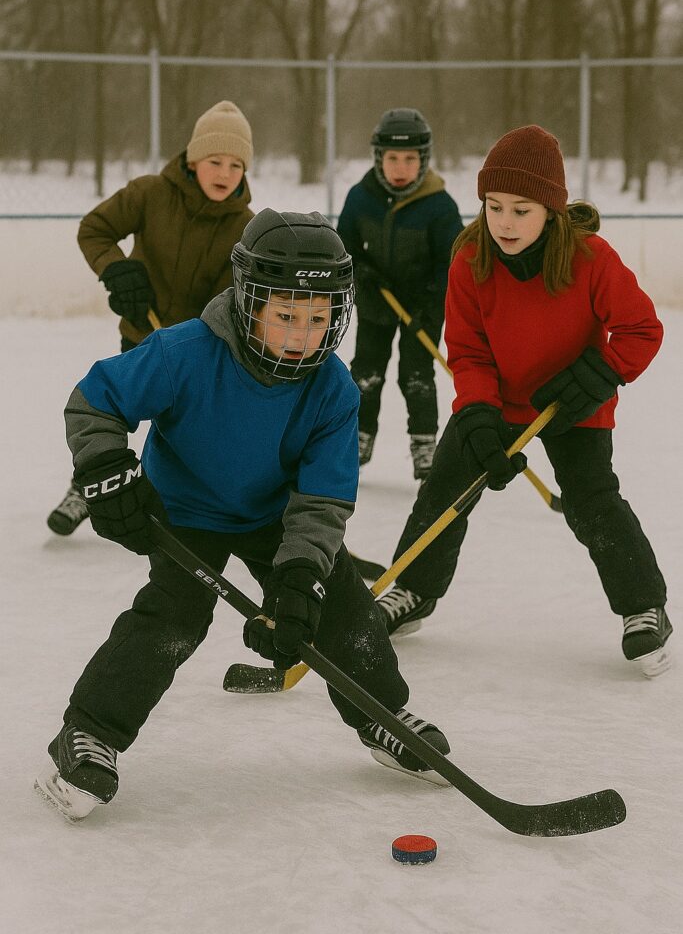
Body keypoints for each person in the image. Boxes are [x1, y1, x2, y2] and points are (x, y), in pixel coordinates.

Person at [35, 209, 451, 822]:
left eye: (318, 319)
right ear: (248, 301)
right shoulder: (185, 353)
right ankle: (89, 731)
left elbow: (323, 497)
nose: (301, 335)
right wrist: (104, 469)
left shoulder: (334, 391)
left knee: (342, 608)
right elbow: (96, 400)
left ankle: (382, 713)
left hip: (274, 515)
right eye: (285, 315)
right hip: (185, 511)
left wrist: (299, 580)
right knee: (170, 620)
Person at [375, 124, 672, 678]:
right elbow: (467, 350)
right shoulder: (470, 260)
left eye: (521, 210)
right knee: (446, 488)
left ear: (551, 210)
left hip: (573, 404)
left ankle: (643, 606)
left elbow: (641, 329)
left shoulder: (589, 257)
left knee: (591, 502)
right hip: (498, 402)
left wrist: (597, 376)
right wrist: (481, 415)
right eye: (494, 207)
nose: (505, 223)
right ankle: (413, 590)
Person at [46, 100, 255, 538]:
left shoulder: (246, 227)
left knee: (193, 431)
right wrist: (116, 270)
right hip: (142, 334)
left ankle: (215, 504)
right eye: (215, 160)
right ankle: (86, 487)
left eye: (236, 165)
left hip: (199, 352)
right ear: (193, 159)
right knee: (116, 411)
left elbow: (235, 295)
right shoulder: (149, 193)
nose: (225, 172)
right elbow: (94, 228)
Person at [337, 108, 463, 481]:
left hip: (421, 308)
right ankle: (358, 439)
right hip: (377, 302)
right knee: (366, 373)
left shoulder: (440, 205)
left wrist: (431, 301)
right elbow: (343, 250)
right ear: (379, 158)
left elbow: (451, 263)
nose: (400, 167)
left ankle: (425, 448)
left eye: (410, 159)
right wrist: (362, 278)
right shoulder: (361, 198)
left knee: (416, 376)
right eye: (392, 158)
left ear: (423, 159)